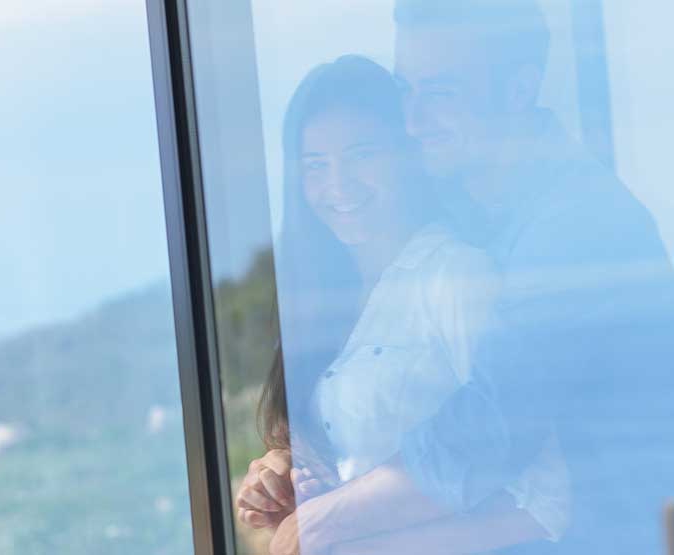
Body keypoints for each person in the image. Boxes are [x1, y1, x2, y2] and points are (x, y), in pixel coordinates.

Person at [280, 2, 674, 553]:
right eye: (406, 92)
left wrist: (322, 524)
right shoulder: (477, 213)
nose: (413, 122)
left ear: (518, 90)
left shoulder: (580, 228)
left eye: (440, 94)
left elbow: (487, 432)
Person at [235, 55, 568, 555]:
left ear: (407, 155)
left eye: (361, 154)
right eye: (315, 165)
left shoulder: (456, 276)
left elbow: (546, 505)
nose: (338, 183)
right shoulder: (321, 303)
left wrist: (344, 536)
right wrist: (280, 470)